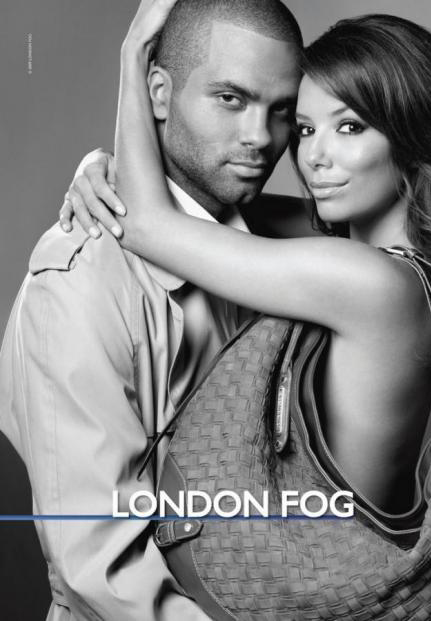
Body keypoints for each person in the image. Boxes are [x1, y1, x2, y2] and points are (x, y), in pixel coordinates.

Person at [64, 0, 431, 521]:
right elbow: (203, 202)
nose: (314, 157)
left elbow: (146, 224)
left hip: (321, 565)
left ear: (412, 135)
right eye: (304, 129)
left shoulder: (369, 283)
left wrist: (134, 54)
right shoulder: (386, 264)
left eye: (350, 127)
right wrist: (104, 167)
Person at [0, 1, 309, 619]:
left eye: (281, 110)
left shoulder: (280, 243)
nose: (259, 137)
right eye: (231, 99)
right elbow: (103, 571)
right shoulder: (76, 285)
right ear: (159, 93)